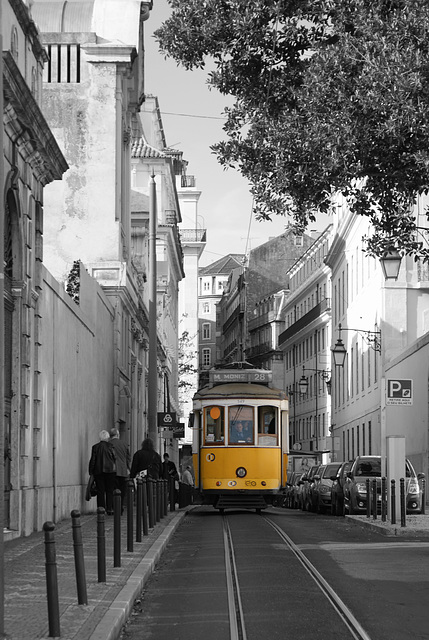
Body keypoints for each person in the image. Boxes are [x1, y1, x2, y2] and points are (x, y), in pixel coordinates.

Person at [88, 430, 116, 514]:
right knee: (109, 490)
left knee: (100, 490)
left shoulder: (95, 447)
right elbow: (115, 458)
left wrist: (91, 471)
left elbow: (93, 460)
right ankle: (110, 508)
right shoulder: (111, 446)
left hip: (98, 471)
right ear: (107, 438)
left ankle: (101, 508)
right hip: (110, 471)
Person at [109, 427, 131, 514]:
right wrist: (128, 468)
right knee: (122, 490)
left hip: (112, 470)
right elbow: (128, 458)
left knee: (113, 489)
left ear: (110, 436)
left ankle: (114, 507)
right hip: (123, 470)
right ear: (118, 435)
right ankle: (120, 506)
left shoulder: (109, 444)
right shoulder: (124, 444)